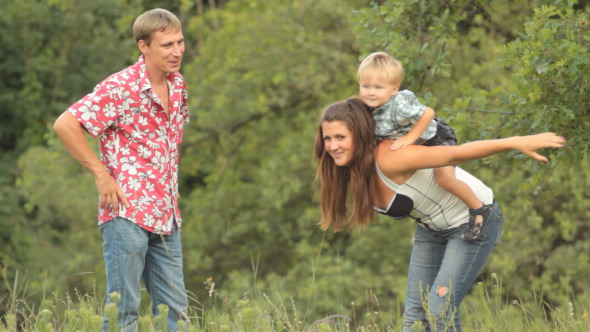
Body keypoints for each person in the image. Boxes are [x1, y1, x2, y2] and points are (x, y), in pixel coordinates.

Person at [314, 98, 565, 331]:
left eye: (340, 137)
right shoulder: (353, 168)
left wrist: (514, 142)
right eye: (328, 138)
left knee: (440, 308)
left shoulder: (390, 157)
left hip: (472, 221)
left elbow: (456, 153)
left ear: (358, 134)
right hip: (431, 229)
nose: (333, 146)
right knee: (414, 316)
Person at [53, 8, 189, 331]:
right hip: (125, 213)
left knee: (176, 315)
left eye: (180, 42)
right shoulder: (120, 87)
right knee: (123, 312)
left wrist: (170, 184)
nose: (178, 51)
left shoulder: (179, 85)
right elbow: (66, 124)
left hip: (166, 215)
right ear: (144, 46)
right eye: (167, 45)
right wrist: (101, 174)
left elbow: (170, 142)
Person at [358, 51, 488, 227]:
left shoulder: (399, 104)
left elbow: (428, 113)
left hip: (435, 137)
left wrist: (410, 138)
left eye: (378, 87)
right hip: (417, 145)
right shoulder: (368, 108)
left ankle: (478, 209)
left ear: (394, 88)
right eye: (366, 86)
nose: (371, 93)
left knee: (444, 179)